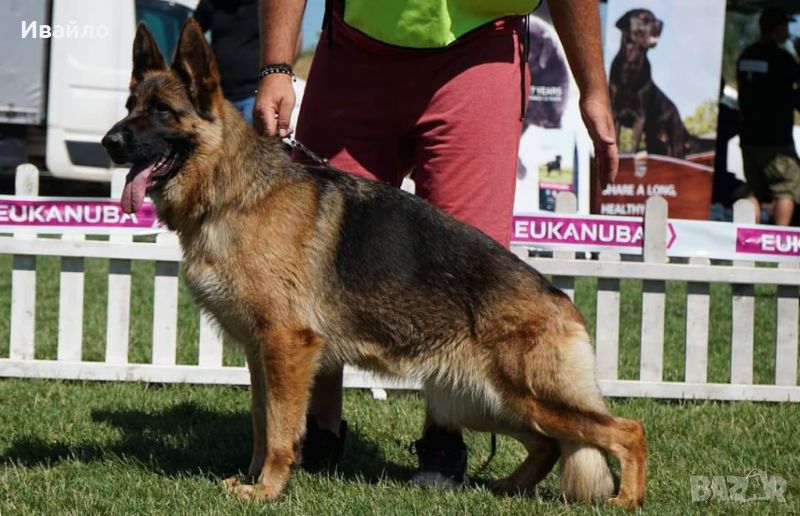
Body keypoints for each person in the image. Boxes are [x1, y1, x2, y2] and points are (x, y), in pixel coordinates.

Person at [254, 0, 618, 488]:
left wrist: (593, 88)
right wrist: (277, 66)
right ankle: (313, 433)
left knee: (472, 274)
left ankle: (442, 440)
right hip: (356, 53)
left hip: (480, 51)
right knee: (309, 263)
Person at [737, 6, 800, 225]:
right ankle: (779, 245)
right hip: (777, 142)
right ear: (776, 29)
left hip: (749, 138)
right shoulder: (782, 59)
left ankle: (749, 242)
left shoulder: (746, 56)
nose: (788, 31)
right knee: (786, 189)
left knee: (754, 191)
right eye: (785, 26)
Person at [194, 0, 261, 124]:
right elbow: (190, 33)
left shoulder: (262, 5)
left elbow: (287, 41)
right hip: (219, 97)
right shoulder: (211, 4)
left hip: (253, 95)